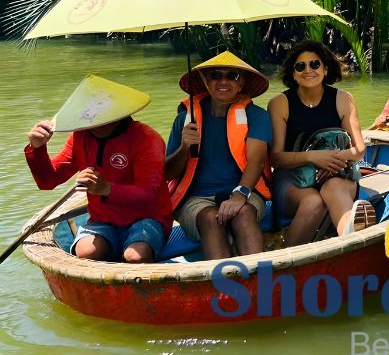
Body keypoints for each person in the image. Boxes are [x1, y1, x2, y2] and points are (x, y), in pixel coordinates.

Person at [25, 75, 170, 263]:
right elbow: (48, 181)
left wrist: (106, 189)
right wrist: (37, 149)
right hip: (103, 219)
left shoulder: (147, 139)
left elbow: (148, 194)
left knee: (135, 256)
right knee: (86, 253)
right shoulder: (80, 137)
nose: (96, 124)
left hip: (147, 218)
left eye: (103, 116)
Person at [165, 53, 272, 260]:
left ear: (241, 83)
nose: (223, 81)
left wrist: (240, 195)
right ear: (206, 81)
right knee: (210, 219)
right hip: (196, 199)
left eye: (232, 76)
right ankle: (225, 287)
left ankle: (259, 282)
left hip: (245, 191)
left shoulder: (256, 116)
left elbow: (257, 161)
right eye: (215, 75)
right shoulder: (185, 120)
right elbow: (167, 173)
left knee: (244, 214)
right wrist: (185, 147)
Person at [267, 41, 372, 245]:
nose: (308, 70)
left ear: (325, 69)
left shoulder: (342, 99)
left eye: (314, 64)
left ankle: (351, 236)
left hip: (337, 170)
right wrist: (313, 157)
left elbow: (359, 149)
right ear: (293, 74)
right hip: (292, 178)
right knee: (314, 202)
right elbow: (276, 158)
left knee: (333, 187)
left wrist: (334, 160)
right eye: (300, 66)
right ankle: (286, 261)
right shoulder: (280, 103)